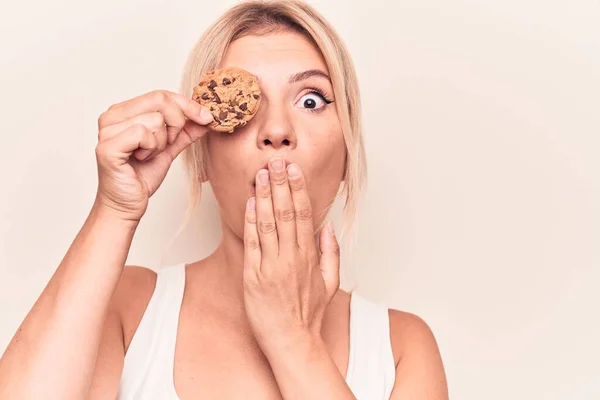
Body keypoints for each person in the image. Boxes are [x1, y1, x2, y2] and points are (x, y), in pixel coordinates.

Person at [0, 1, 448, 399]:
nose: (277, 130)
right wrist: (114, 212)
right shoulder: (130, 308)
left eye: (311, 100)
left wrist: (293, 340)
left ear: (349, 156)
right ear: (200, 157)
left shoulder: (401, 349)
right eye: (250, 103)